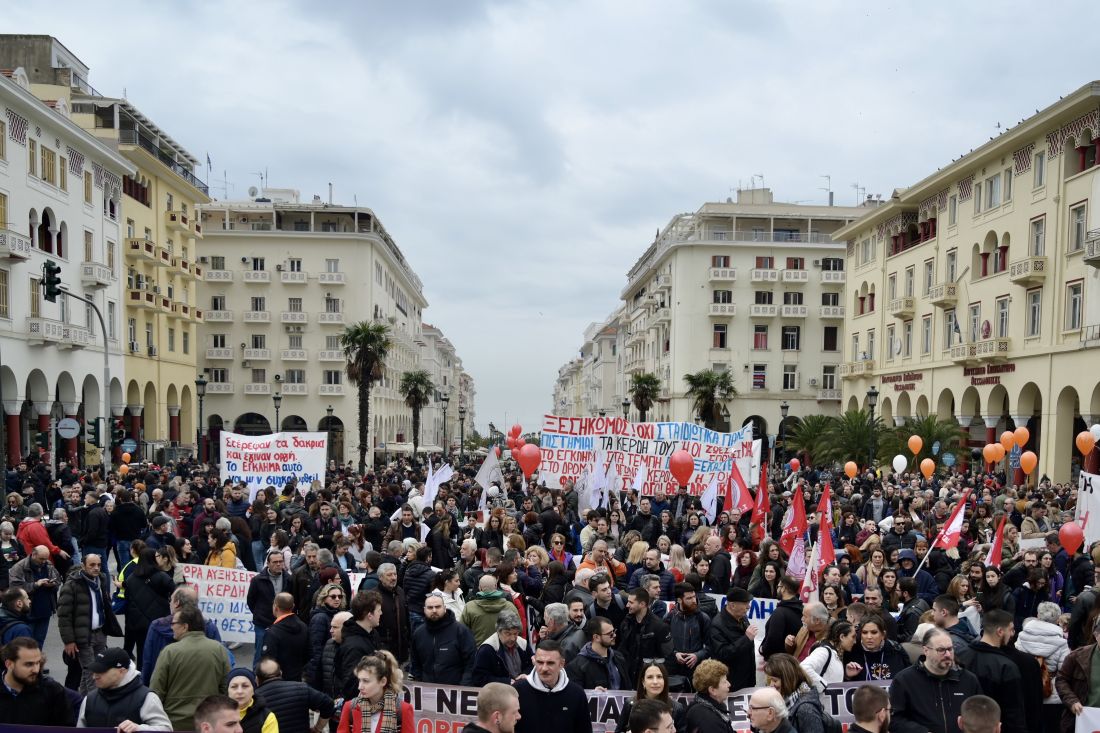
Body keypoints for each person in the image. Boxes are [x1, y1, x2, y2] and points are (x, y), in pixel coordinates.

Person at [150, 605, 232, 731]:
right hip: (208, 721)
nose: (171, 626)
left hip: (175, 723)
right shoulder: (219, 649)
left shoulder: (169, 652)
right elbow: (226, 687)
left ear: (185, 626)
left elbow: (156, 691)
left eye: (174, 623)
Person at [890, 627, 983, 733]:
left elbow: (980, 714)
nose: (948, 654)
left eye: (950, 649)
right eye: (941, 650)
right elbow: (894, 719)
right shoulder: (905, 680)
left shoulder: (968, 679)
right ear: (926, 651)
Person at [58, 553, 123, 694]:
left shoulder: (101, 580)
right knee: (93, 673)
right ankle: (94, 706)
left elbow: (105, 605)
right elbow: (64, 615)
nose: (96, 568)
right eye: (92, 565)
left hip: (100, 633)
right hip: (83, 636)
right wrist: (69, 640)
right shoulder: (72, 585)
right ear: (83, 566)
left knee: (91, 670)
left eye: (99, 565)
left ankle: (82, 702)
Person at [956, 609, 1027, 733]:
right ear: (1000, 631)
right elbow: (1014, 713)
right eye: (1010, 629)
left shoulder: (960, 655)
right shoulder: (1006, 667)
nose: (1012, 634)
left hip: (963, 725)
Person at [141, 586, 229, 686]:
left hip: (165, 688)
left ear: (177, 603)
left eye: (171, 600)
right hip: (203, 689)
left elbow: (148, 662)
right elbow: (221, 664)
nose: (169, 603)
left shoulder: (156, 627)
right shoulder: (209, 627)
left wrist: (147, 690)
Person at [76, 646, 172, 730]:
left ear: (122, 671)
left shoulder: (147, 698)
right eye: (94, 671)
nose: (94, 676)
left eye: (101, 671)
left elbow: (166, 728)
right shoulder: (89, 699)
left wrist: (139, 728)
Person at [1014, 601, 1070, 733]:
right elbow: (1064, 672)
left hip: (1024, 690)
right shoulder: (1061, 643)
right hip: (1050, 693)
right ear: (1057, 619)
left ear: (1038, 615)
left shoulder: (1021, 637)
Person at [514, 639, 592, 733]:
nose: (544, 668)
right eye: (540, 662)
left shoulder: (576, 693)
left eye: (550, 663)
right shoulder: (518, 691)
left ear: (561, 664)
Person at [0, 636, 74, 725]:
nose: (36, 670)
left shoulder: (52, 691)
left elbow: (66, 727)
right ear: (9, 664)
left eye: (38, 663)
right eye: (29, 664)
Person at [336, 651, 414, 733]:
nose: (360, 687)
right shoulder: (350, 707)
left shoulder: (403, 710)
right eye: (359, 680)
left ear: (383, 681)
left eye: (366, 681)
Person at [123, 547, 174, 672]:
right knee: (160, 653)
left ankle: (142, 678)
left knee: (142, 654)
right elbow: (175, 592)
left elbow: (128, 600)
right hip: (159, 621)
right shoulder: (162, 577)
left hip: (138, 624)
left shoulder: (130, 579)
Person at [410, 590, 475, 684]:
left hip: (455, 690)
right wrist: (420, 682)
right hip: (427, 691)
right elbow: (415, 663)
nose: (434, 610)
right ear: (424, 609)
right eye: (430, 607)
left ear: (444, 608)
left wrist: (463, 687)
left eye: (437, 607)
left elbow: (471, 663)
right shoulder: (419, 633)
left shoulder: (461, 631)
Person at [254, 657, 334, 733]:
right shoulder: (301, 688)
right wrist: (317, 729)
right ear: (281, 673)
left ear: (257, 679)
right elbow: (328, 704)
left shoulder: (253, 699)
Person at [765, 652, 834, 733]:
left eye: (774, 680)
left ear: (788, 679)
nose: (771, 685)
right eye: (769, 680)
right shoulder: (787, 702)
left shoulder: (806, 709)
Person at [9, 545, 62, 647]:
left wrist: (52, 584)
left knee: (39, 641)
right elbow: (15, 589)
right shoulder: (19, 567)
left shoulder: (48, 564)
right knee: (26, 643)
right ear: (33, 554)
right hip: (28, 613)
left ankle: (37, 662)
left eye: (46, 559)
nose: (43, 561)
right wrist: (36, 584)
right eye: (41, 559)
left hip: (45, 610)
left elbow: (58, 579)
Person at [705, 587, 757, 691]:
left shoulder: (742, 617)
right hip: (731, 683)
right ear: (732, 605)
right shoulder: (717, 625)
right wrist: (746, 639)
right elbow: (722, 654)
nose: (749, 607)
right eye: (745, 603)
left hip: (747, 678)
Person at [1055, 614, 1100, 733]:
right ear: (1096, 635)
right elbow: (1061, 680)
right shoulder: (1077, 656)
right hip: (1084, 719)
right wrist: (1072, 701)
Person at [336, 590, 383, 700]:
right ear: (369, 615)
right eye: (379, 611)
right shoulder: (354, 647)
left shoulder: (372, 633)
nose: (381, 613)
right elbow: (351, 684)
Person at [665, 582, 710, 690]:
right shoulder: (669, 617)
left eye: (694, 596)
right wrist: (675, 654)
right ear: (679, 600)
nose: (694, 600)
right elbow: (663, 644)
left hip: (696, 671)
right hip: (673, 671)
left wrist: (697, 656)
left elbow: (710, 646)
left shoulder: (703, 618)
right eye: (689, 598)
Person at [567, 616, 632, 690]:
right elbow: (576, 695)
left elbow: (628, 688)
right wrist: (593, 694)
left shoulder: (618, 657)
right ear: (596, 637)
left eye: (614, 631)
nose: (614, 635)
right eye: (610, 634)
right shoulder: (577, 666)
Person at [247, 550, 292, 654]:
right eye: (275, 562)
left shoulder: (289, 579)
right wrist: (260, 614)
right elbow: (251, 601)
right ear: (268, 564)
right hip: (262, 624)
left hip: (282, 623)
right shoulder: (257, 580)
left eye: (281, 561)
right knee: (260, 654)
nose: (278, 564)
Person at [802, 620, 858, 701]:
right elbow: (804, 668)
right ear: (842, 637)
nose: (855, 641)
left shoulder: (835, 653)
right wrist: (824, 687)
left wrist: (846, 675)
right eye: (853, 636)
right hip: (817, 707)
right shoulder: (824, 651)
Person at [472, 610, 533, 685]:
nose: (513, 638)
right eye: (508, 634)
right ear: (498, 631)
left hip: (522, 687)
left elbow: (532, 665)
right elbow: (479, 678)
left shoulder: (523, 644)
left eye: (515, 633)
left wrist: (525, 674)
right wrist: (505, 682)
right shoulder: (487, 649)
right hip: (499, 692)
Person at [259, 592, 309, 682]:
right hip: (298, 679)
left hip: (279, 681)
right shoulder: (304, 627)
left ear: (275, 607)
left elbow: (268, 661)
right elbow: (308, 654)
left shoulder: (272, 633)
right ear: (293, 606)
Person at [844, 616, 909, 681]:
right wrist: (847, 676)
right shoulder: (852, 651)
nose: (869, 637)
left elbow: (907, 679)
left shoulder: (896, 650)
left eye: (874, 632)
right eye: (864, 632)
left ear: (883, 634)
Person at [461, 575, 517, 646]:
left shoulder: (469, 607)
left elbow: (462, 633)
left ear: (479, 588)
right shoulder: (509, 607)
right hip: (503, 652)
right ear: (496, 586)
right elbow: (519, 629)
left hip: (479, 652)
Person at [761, 576, 804, 658]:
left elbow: (773, 639)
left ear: (783, 589)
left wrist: (763, 649)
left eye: (778, 586)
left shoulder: (779, 612)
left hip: (778, 661)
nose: (777, 589)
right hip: (791, 659)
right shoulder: (801, 609)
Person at [226, 667, 278, 733]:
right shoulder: (217, 714)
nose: (239, 691)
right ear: (228, 691)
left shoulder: (267, 717)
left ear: (253, 690)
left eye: (245, 686)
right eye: (234, 686)